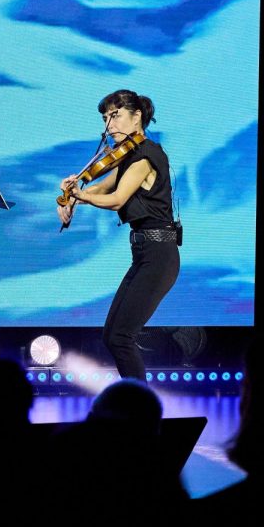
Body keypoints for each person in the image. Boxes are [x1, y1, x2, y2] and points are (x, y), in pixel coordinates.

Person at [58, 89, 179, 379]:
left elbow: (116, 199)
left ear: (137, 117)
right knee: (112, 335)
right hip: (144, 255)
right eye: (105, 118)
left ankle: (140, 413)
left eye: (116, 116)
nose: (109, 126)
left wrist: (81, 196)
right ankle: (137, 407)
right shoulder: (128, 156)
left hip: (159, 256)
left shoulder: (146, 156)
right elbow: (101, 187)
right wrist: (69, 196)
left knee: (121, 338)